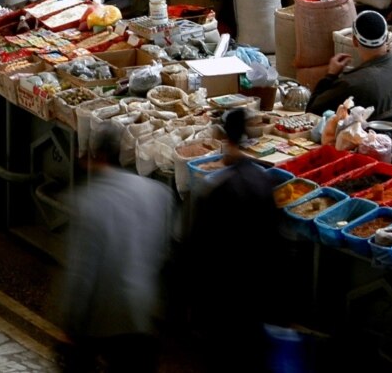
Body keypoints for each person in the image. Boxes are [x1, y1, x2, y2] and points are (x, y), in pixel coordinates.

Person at [63, 125, 173, 373]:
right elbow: (161, 255)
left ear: (96, 157)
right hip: (143, 312)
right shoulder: (157, 193)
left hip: (102, 317)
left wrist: (70, 322)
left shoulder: (88, 202)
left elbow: (81, 272)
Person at [187, 108, 283, 373]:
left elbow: (199, 253)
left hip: (225, 300)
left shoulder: (217, 190)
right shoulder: (263, 180)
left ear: (225, 140)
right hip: (256, 296)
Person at [307, 10, 392, 123]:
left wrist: (330, 76)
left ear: (354, 41)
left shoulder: (353, 84)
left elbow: (312, 111)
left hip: (370, 139)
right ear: (387, 38)